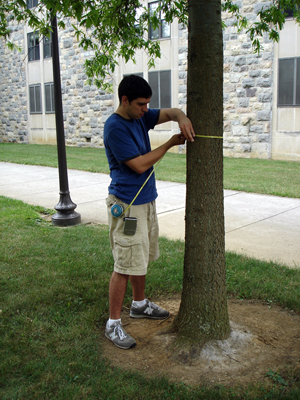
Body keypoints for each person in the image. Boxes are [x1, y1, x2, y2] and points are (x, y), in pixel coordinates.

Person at [104, 74, 195, 349]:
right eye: (142, 104)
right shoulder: (115, 127)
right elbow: (140, 165)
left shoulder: (139, 117)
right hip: (128, 205)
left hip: (146, 200)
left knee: (140, 256)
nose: (147, 109)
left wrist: (182, 117)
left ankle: (140, 304)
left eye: (148, 104)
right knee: (125, 263)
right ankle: (113, 324)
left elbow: (170, 112)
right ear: (125, 100)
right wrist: (168, 144)